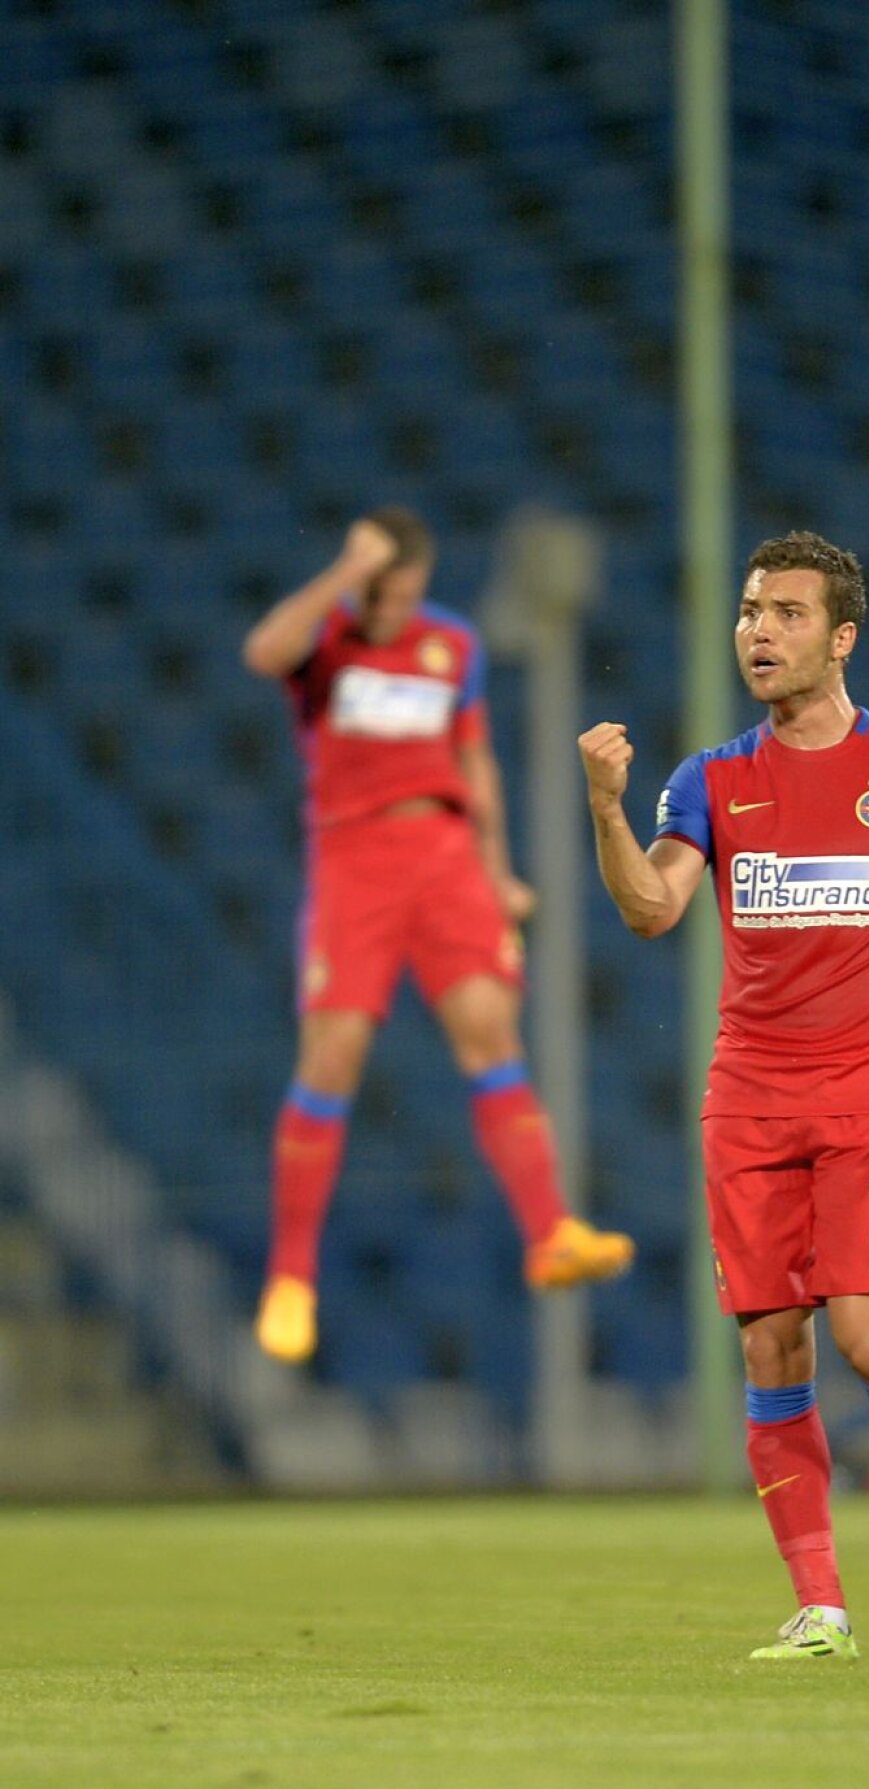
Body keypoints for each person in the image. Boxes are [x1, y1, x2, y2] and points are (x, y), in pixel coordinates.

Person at [578, 529, 869, 1660]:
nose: (759, 631)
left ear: (842, 637)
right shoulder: (710, 779)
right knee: (772, 1349)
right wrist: (607, 807)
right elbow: (650, 909)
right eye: (750, 611)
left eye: (787, 614)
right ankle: (822, 1608)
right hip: (750, 1100)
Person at [243, 506, 634, 1364]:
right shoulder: (326, 638)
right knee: (332, 1054)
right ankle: (291, 1276)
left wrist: (496, 872)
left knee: (491, 1034)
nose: (394, 608)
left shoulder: (451, 644)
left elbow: (475, 759)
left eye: (406, 592)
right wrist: (348, 573)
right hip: (355, 856)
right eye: (382, 592)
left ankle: (550, 1233)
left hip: (446, 853)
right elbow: (264, 651)